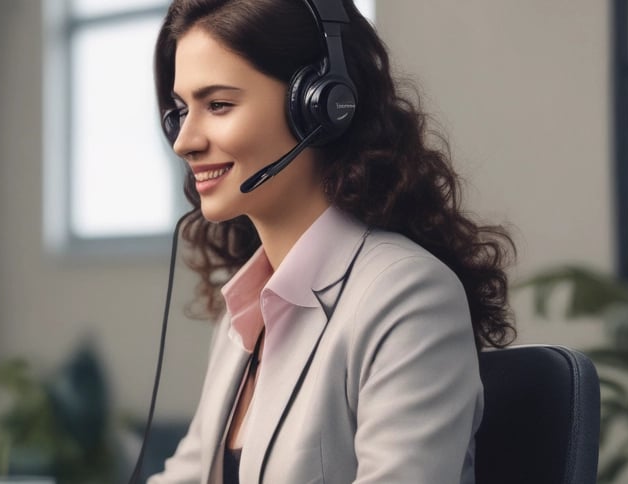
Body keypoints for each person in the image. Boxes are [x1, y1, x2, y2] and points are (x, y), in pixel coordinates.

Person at [147, 0, 516, 482]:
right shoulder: (246, 310)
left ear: (320, 106)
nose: (184, 140)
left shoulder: (408, 297)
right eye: (181, 110)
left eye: (218, 105)